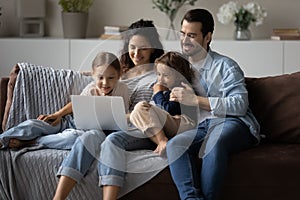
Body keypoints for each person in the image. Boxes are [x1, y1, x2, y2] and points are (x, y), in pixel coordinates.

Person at [52, 19, 164, 200]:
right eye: (132, 47)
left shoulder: (159, 72)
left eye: (143, 48)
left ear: (153, 47)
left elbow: (159, 107)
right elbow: (98, 77)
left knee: (113, 139)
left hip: (142, 128)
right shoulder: (122, 71)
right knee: (87, 137)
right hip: (112, 123)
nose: (136, 53)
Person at [164, 8, 261, 200]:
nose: (184, 40)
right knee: (175, 145)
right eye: (182, 34)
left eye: (192, 35)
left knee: (213, 142)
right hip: (200, 127)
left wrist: (195, 100)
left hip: (232, 123)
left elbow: (239, 105)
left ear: (207, 37)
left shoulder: (226, 66)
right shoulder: (179, 66)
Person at [0, 51, 129, 150]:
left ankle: (33, 142)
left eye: (111, 78)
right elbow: (75, 105)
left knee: (73, 138)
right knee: (36, 124)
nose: (105, 83)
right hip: (70, 121)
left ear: (119, 76)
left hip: (86, 131)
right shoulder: (91, 89)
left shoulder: (122, 90)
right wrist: (57, 115)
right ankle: (2, 139)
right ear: (93, 75)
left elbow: (122, 118)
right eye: (100, 78)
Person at [130, 51, 198, 155]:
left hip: (183, 122)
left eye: (166, 75)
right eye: (158, 74)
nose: (160, 79)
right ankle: (162, 143)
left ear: (179, 76)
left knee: (141, 107)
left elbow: (168, 109)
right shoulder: (166, 89)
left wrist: (158, 92)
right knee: (134, 115)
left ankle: (162, 140)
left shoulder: (180, 89)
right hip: (168, 123)